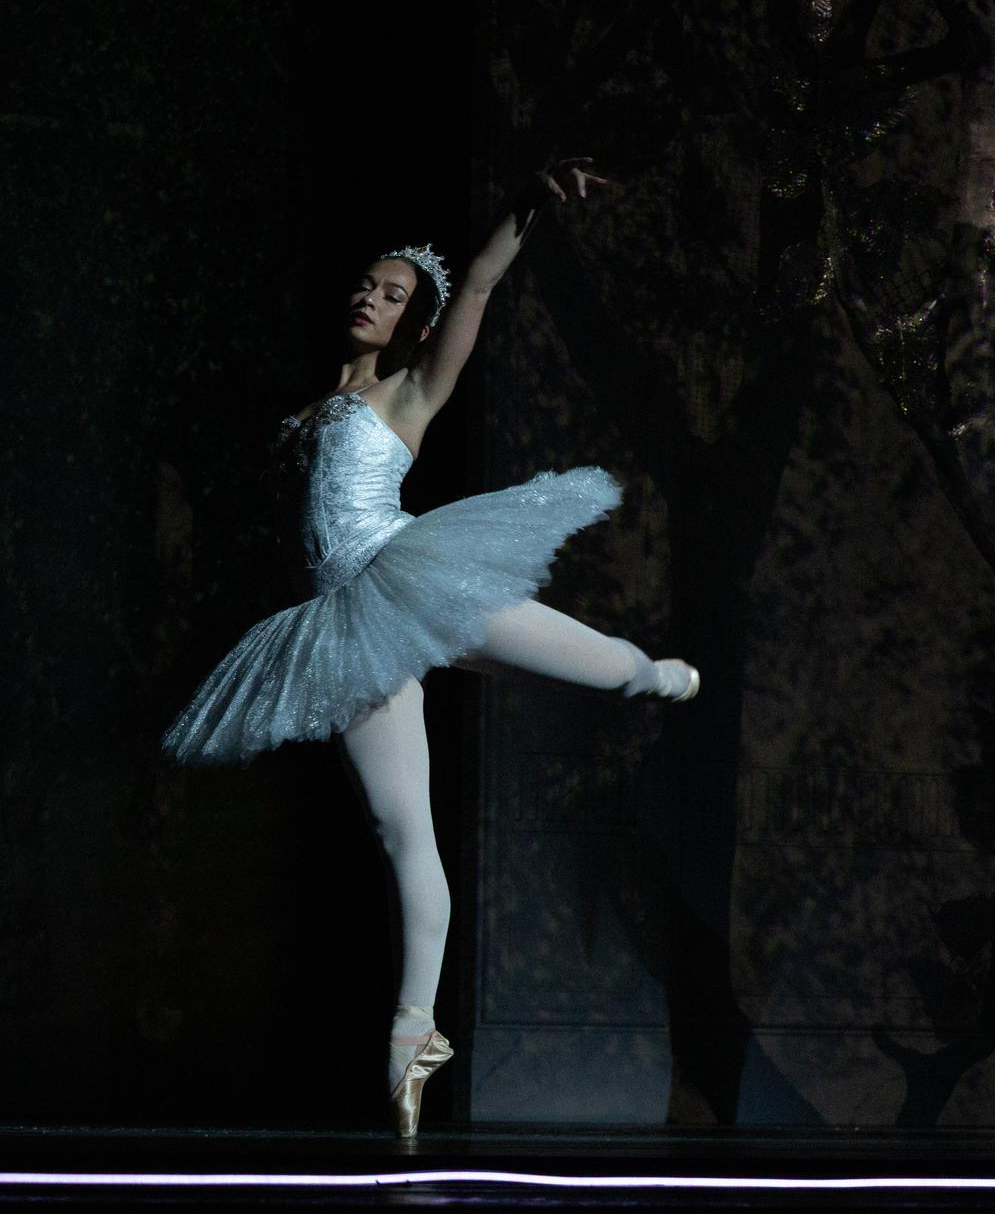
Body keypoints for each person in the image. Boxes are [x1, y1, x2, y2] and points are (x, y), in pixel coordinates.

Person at [163, 159, 697, 1137]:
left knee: (596, 663)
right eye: (366, 285)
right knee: (402, 831)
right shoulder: (307, 413)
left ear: (416, 321)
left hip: (409, 572)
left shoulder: (409, 391)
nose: (370, 297)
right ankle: (416, 1033)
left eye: (394, 293)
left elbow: (482, 284)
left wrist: (523, 207)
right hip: (344, 626)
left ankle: (645, 671)